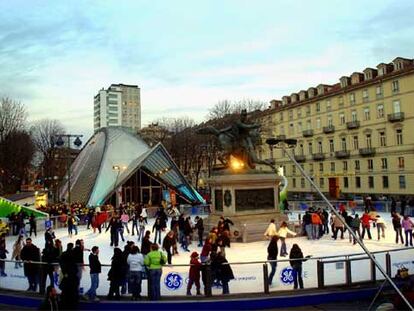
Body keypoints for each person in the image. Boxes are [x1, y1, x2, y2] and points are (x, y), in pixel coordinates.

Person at [59, 243, 79, 310]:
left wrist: (65, 272)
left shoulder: (64, 254)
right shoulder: (71, 254)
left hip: (68, 276)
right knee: (71, 292)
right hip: (71, 276)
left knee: (66, 292)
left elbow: (61, 263)